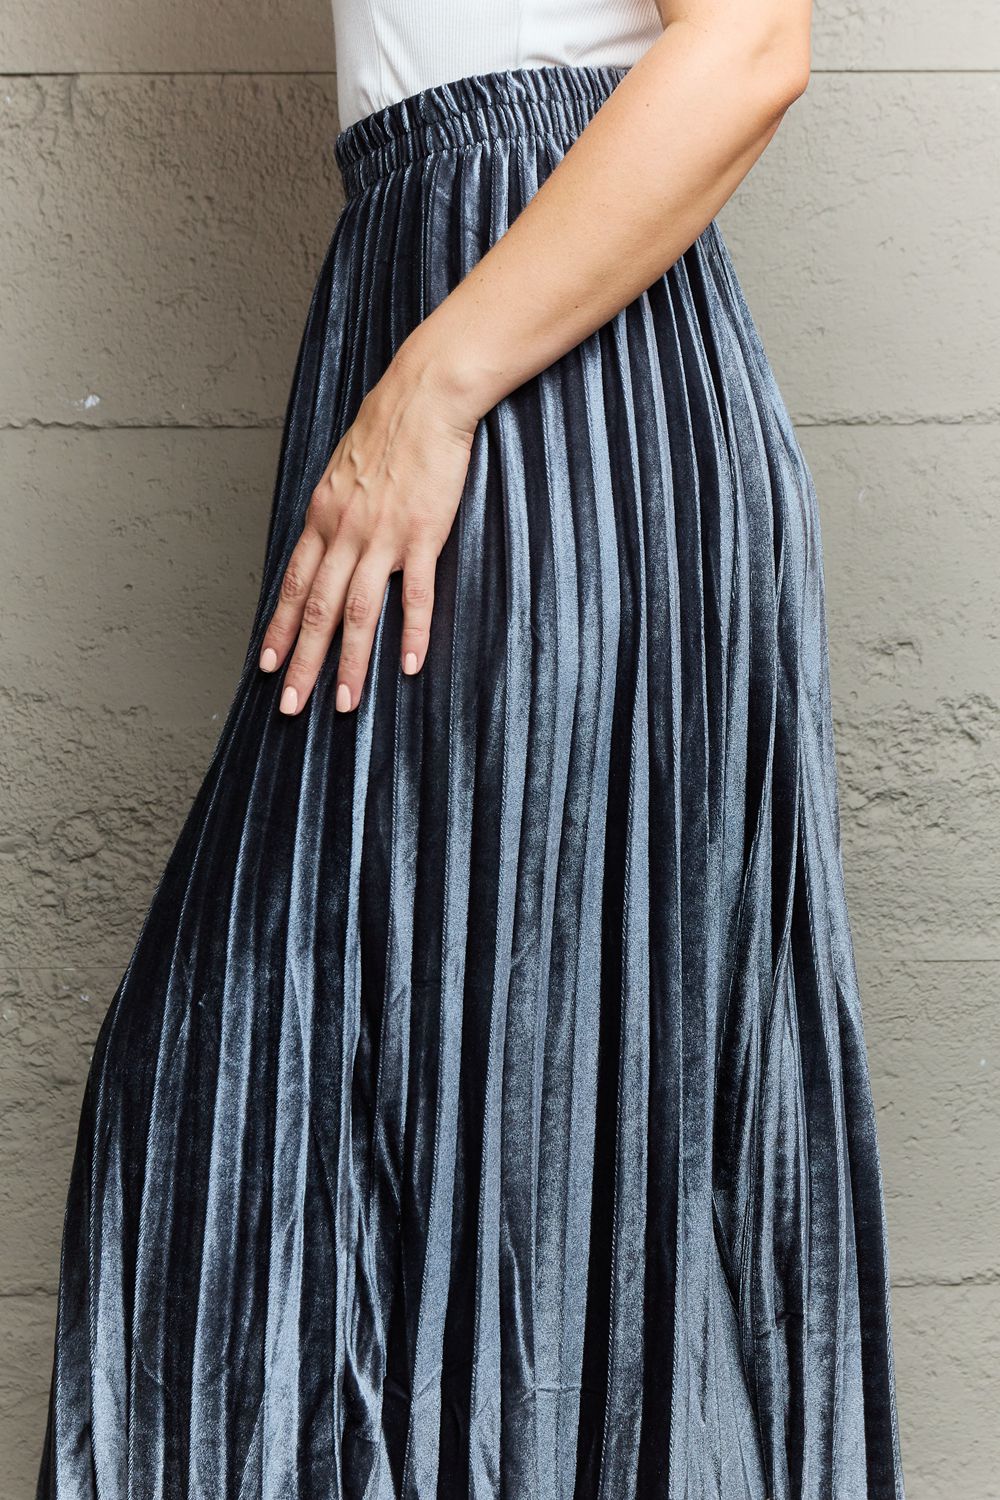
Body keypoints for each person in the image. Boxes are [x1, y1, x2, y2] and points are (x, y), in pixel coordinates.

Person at [36, 1, 907, 1496]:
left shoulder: (449, 381)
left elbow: (752, 41)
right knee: (449, 1115)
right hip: (439, 310)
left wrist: (428, 394)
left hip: (536, 399)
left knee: (518, 1124)